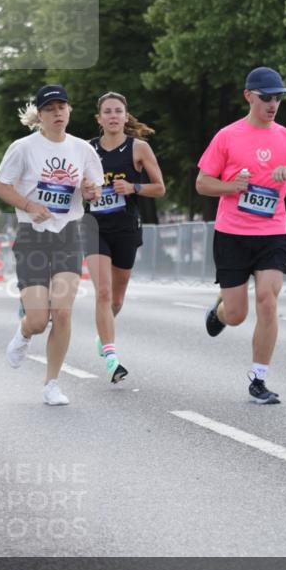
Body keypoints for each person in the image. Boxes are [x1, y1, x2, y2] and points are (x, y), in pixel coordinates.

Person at [196, 66, 286, 404]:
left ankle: (259, 379)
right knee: (238, 314)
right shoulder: (227, 136)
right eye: (266, 97)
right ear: (248, 96)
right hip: (232, 234)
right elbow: (202, 183)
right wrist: (231, 186)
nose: (273, 104)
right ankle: (221, 311)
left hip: (272, 232)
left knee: (268, 301)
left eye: (278, 98)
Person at [0, 84, 104, 406]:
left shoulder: (83, 149)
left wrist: (91, 191)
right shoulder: (23, 148)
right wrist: (30, 206)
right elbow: (1, 185)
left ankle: (51, 383)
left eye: (62, 107)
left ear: (69, 111)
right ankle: (25, 333)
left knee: (64, 312)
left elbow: (94, 190)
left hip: (68, 232)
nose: (57, 113)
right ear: (40, 115)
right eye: (50, 108)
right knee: (40, 319)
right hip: (32, 236)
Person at [83, 92, 165, 383]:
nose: (113, 115)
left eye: (118, 110)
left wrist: (134, 188)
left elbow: (160, 188)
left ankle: (103, 336)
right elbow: (73, 189)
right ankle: (111, 357)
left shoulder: (138, 148)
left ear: (126, 116)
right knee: (102, 292)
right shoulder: (87, 149)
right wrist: (85, 191)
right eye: (107, 111)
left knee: (116, 299)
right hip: (93, 227)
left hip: (126, 228)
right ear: (99, 118)